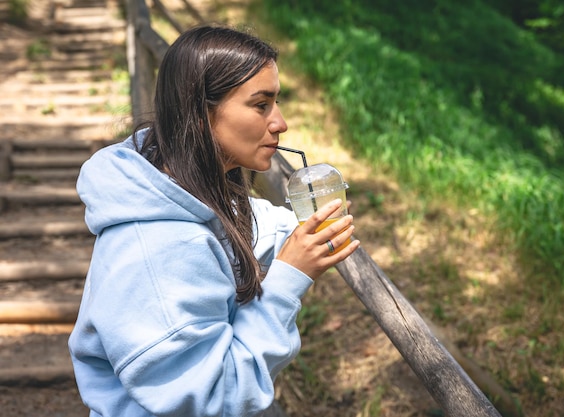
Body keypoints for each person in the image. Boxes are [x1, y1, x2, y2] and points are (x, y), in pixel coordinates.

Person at [68, 25, 359, 417]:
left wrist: (300, 227)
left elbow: (239, 223)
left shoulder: (180, 188)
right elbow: (216, 397)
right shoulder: (157, 250)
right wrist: (289, 277)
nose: (281, 123)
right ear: (201, 114)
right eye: (261, 105)